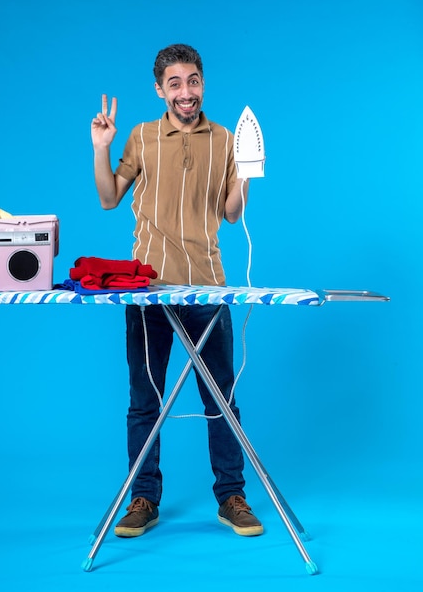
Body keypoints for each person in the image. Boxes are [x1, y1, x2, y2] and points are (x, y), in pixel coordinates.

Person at [90, 44, 263, 538]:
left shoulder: (226, 138)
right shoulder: (143, 137)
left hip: (208, 290)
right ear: (160, 90)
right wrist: (102, 147)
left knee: (221, 399)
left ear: (202, 83)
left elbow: (232, 214)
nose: (185, 91)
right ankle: (143, 497)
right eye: (175, 83)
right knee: (145, 399)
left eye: (192, 81)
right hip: (148, 291)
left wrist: (248, 170)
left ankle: (232, 495)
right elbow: (107, 199)